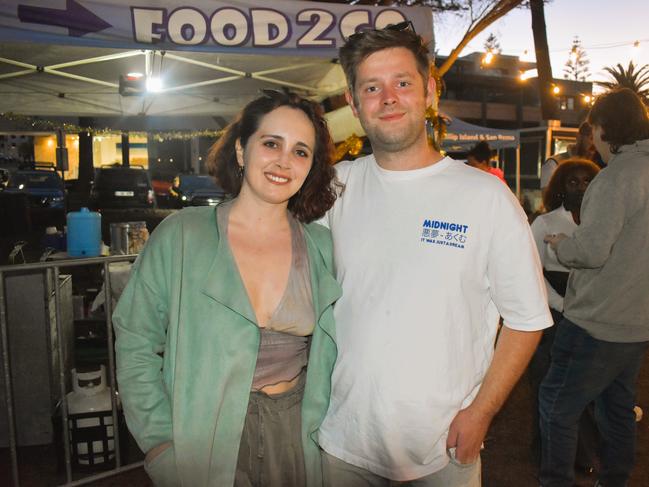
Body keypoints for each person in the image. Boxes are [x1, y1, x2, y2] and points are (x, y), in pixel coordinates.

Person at [316, 23, 552, 486]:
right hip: (342, 441)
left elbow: (526, 320)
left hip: (442, 447)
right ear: (352, 101)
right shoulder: (332, 187)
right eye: (371, 87)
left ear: (429, 91)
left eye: (402, 83)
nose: (388, 97)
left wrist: (482, 412)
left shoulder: (485, 197)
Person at [113, 91, 342, 487]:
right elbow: (136, 341)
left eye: (301, 152)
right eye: (271, 143)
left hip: (297, 440)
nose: (284, 161)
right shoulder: (181, 237)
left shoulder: (320, 246)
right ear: (241, 150)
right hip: (203, 436)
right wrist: (158, 443)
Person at [541, 87, 649, 487]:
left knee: (557, 405)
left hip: (596, 322)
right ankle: (615, 480)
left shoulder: (615, 178)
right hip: (637, 322)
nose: (593, 142)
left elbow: (592, 250)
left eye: (594, 131)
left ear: (605, 129)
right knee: (617, 407)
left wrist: (562, 245)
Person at [528, 158, 601, 470]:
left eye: (587, 181)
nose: (581, 188)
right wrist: (560, 304)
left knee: (587, 388)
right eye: (573, 182)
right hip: (553, 315)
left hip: (593, 314)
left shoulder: (601, 224)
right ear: (560, 187)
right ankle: (550, 453)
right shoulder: (544, 224)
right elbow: (531, 274)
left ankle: (584, 454)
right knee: (551, 387)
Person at [540, 121, 602, 190]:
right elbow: (548, 197)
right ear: (579, 137)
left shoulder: (598, 167)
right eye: (591, 138)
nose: (594, 144)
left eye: (599, 140)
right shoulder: (553, 164)